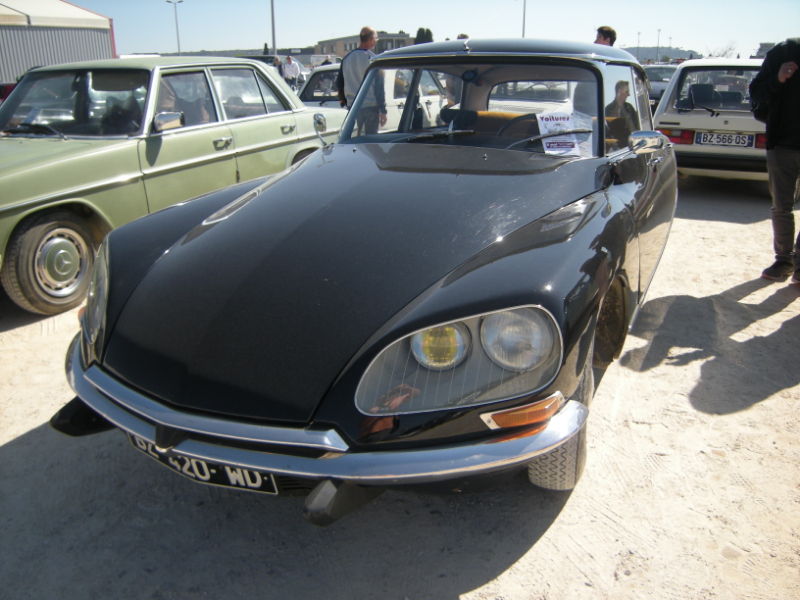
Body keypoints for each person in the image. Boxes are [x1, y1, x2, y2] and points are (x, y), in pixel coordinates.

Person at [750, 38, 800, 285]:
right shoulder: (786, 51)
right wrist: (778, 78)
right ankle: (784, 260)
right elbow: (756, 91)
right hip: (783, 144)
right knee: (781, 206)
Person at [336, 26, 387, 134]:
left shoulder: (346, 58)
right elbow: (379, 87)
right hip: (371, 106)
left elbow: (340, 84)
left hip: (352, 107)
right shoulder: (373, 59)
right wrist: (383, 110)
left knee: (355, 140)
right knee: (370, 141)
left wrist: (345, 103)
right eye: (376, 39)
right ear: (371, 40)